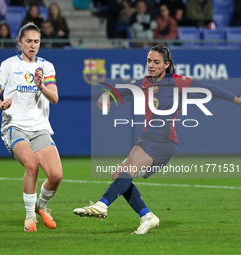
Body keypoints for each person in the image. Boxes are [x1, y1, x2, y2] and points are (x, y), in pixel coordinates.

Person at [73, 44, 241, 235]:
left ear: (166, 65)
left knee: (125, 171)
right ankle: (147, 216)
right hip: (151, 138)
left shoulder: (177, 81)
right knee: (119, 175)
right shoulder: (143, 82)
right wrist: (106, 95)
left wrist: (236, 99)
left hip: (162, 138)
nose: (151, 65)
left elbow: (208, 88)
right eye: (148, 61)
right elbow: (120, 91)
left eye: (156, 62)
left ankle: (102, 204)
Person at [0, 23, 63, 232]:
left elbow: (55, 98)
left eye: (36, 41)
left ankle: (41, 206)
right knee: (31, 165)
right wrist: (1, 104)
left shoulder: (46, 67)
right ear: (20, 42)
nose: (32, 45)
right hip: (15, 126)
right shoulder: (9, 65)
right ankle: (30, 217)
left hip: (39, 127)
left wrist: (40, 86)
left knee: (56, 175)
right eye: (28, 41)